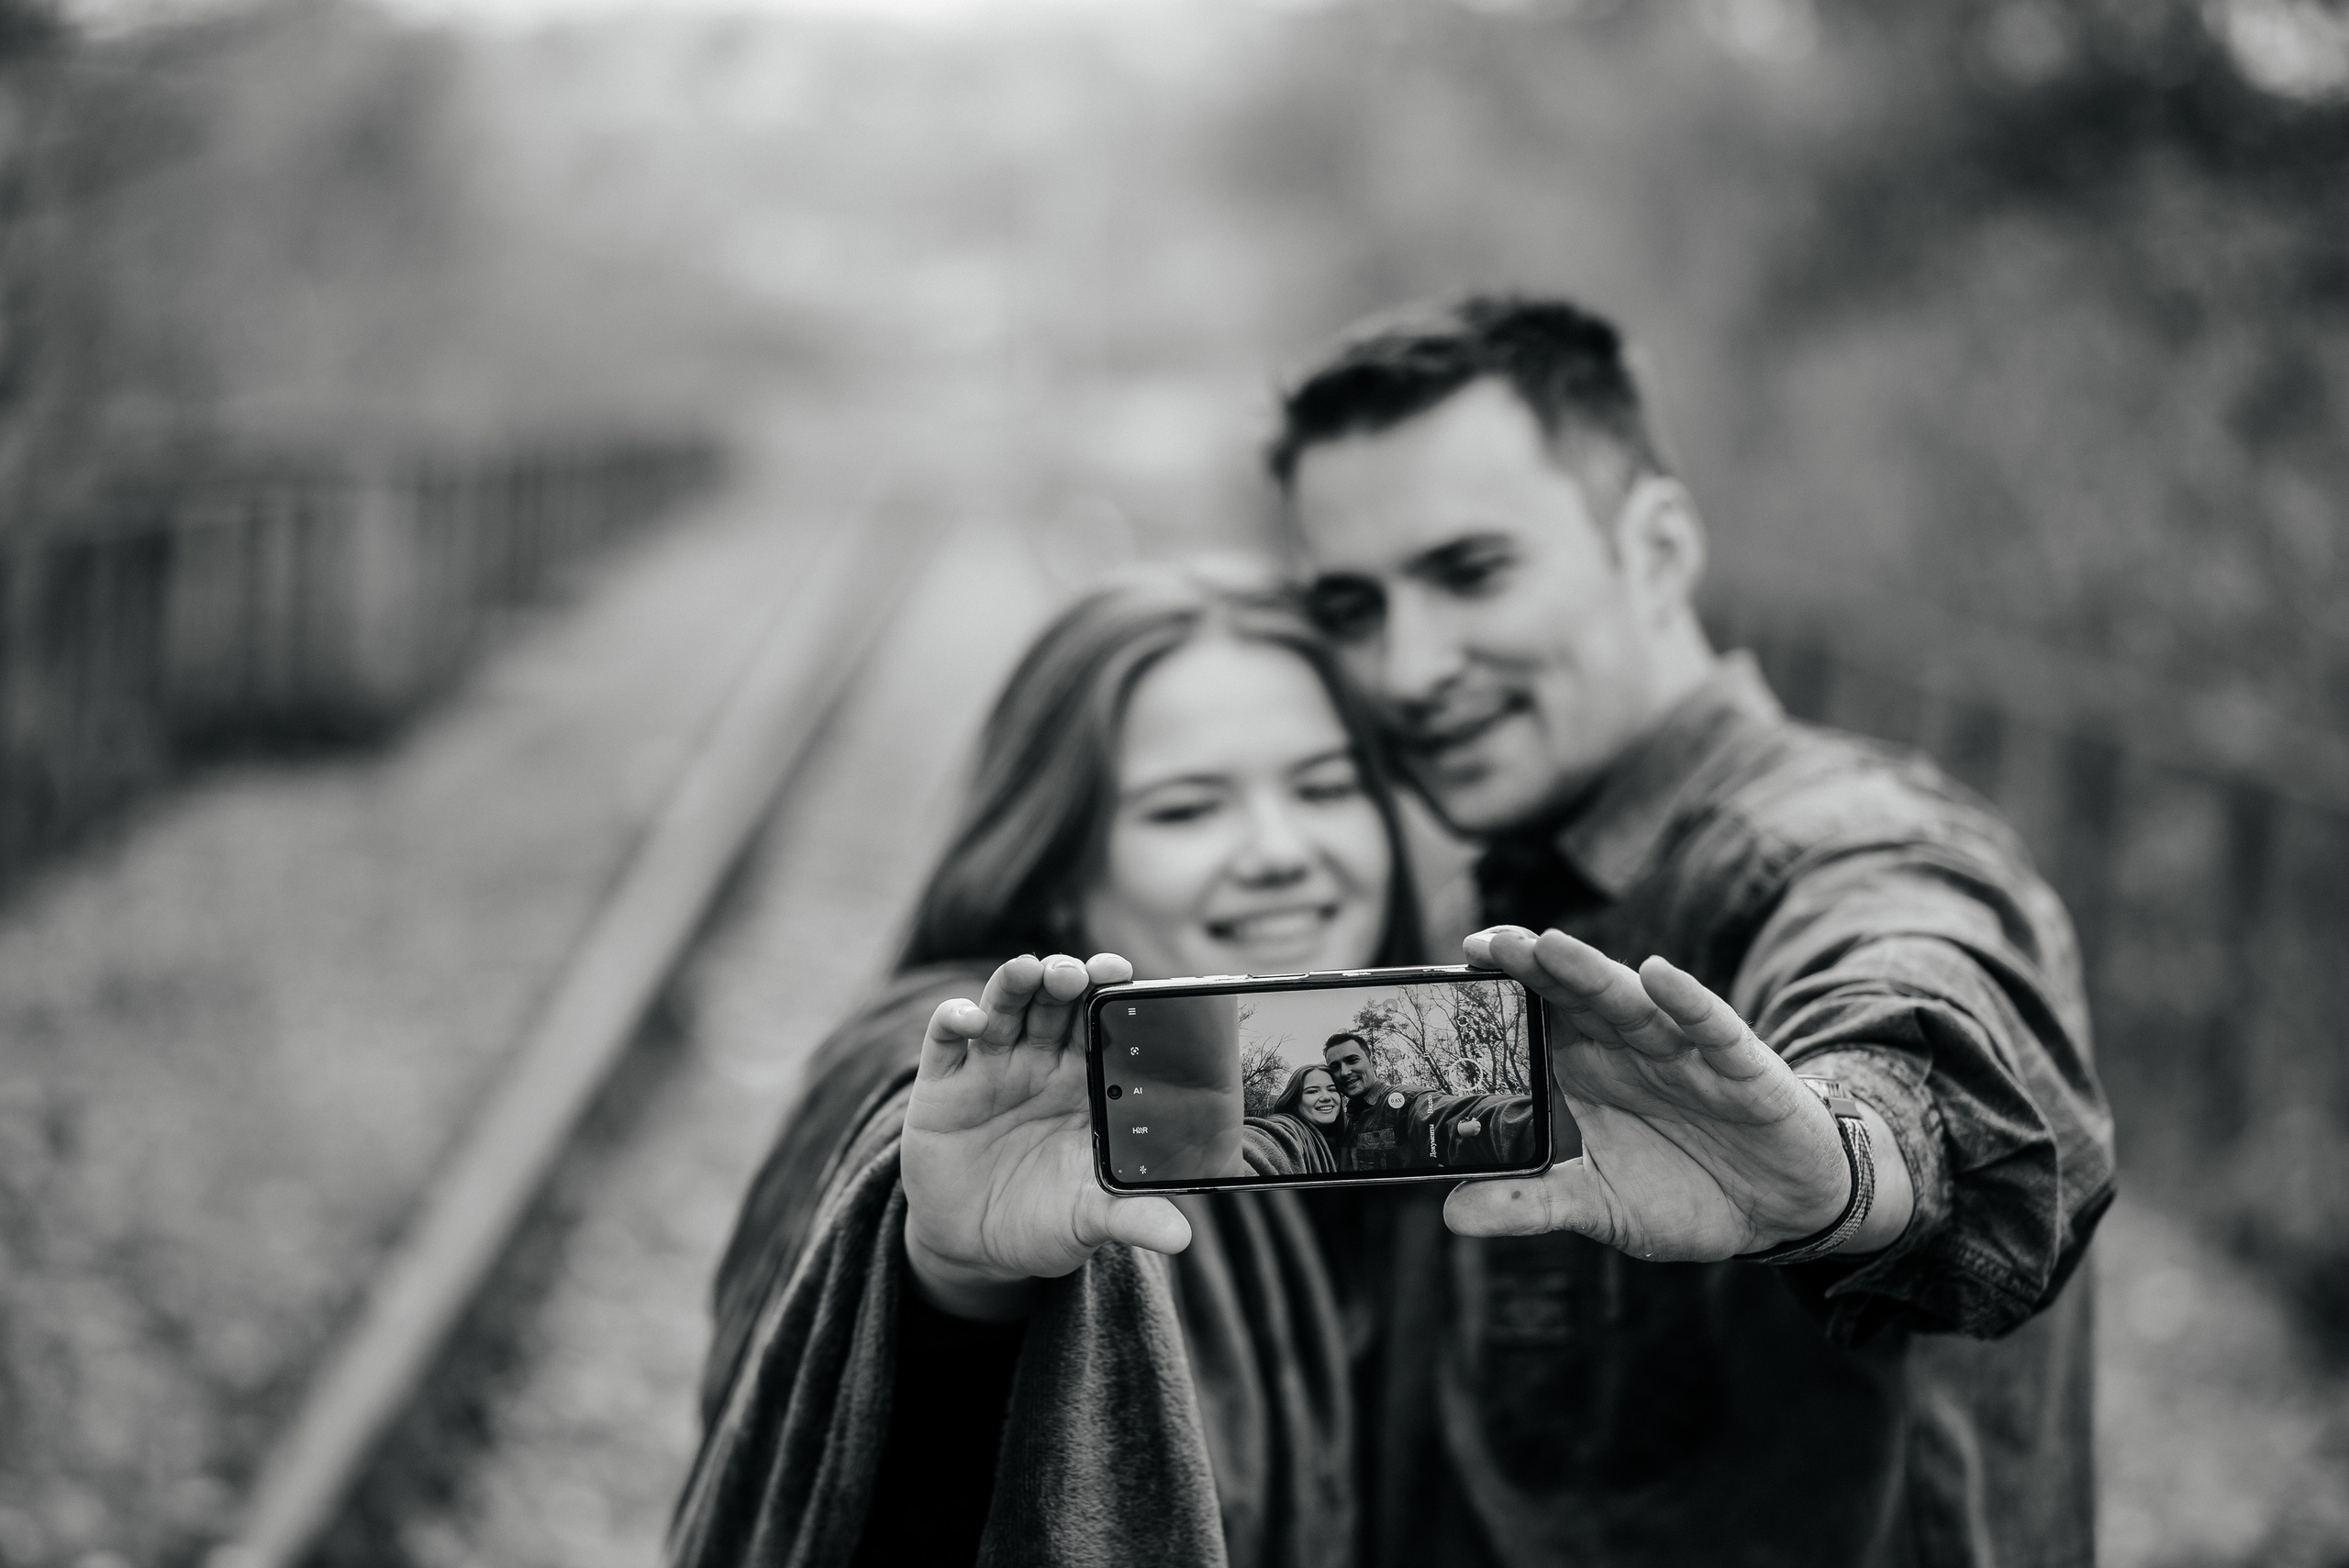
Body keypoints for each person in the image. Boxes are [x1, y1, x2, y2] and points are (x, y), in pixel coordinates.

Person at [1274, 295, 2116, 1566]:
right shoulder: (1478, 897)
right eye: (1351, 608)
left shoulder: (1831, 836)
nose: (1404, 667)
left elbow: (1921, 983)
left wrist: (1835, 1168)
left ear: (1658, 549)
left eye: (1471, 572)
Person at [671, 569, 1421, 1568]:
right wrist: (959, 1279)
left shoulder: (1386, 1106)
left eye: (1327, 787)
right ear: (1059, 870)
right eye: (1187, 808)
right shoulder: (975, 1089)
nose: (1282, 849)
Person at [1322, 1029, 1539, 1173]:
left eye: (1352, 1060)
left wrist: (1530, 1126)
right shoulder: (1339, 1121)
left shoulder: (1407, 1101)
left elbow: (1452, 1119)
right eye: (1335, 1067)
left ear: (1373, 1061)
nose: (1344, 1072)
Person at [1241, 1062, 1348, 1176]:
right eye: (1312, 1091)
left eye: (1332, 1089)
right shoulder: (1287, 1127)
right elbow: (1259, 1142)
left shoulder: (1341, 1135)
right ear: (1295, 1101)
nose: (1327, 1097)